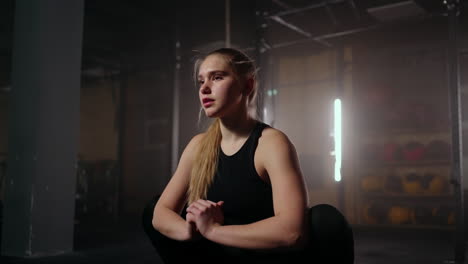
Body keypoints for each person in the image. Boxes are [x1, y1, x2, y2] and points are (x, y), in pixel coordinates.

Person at [141, 47, 354, 264]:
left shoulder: (270, 143)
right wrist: (190, 230)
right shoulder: (198, 146)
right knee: (153, 207)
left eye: (217, 77)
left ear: (247, 85)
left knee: (325, 221)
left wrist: (213, 230)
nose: (204, 88)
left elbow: (293, 232)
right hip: (215, 256)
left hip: (261, 257)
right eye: (201, 81)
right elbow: (159, 213)